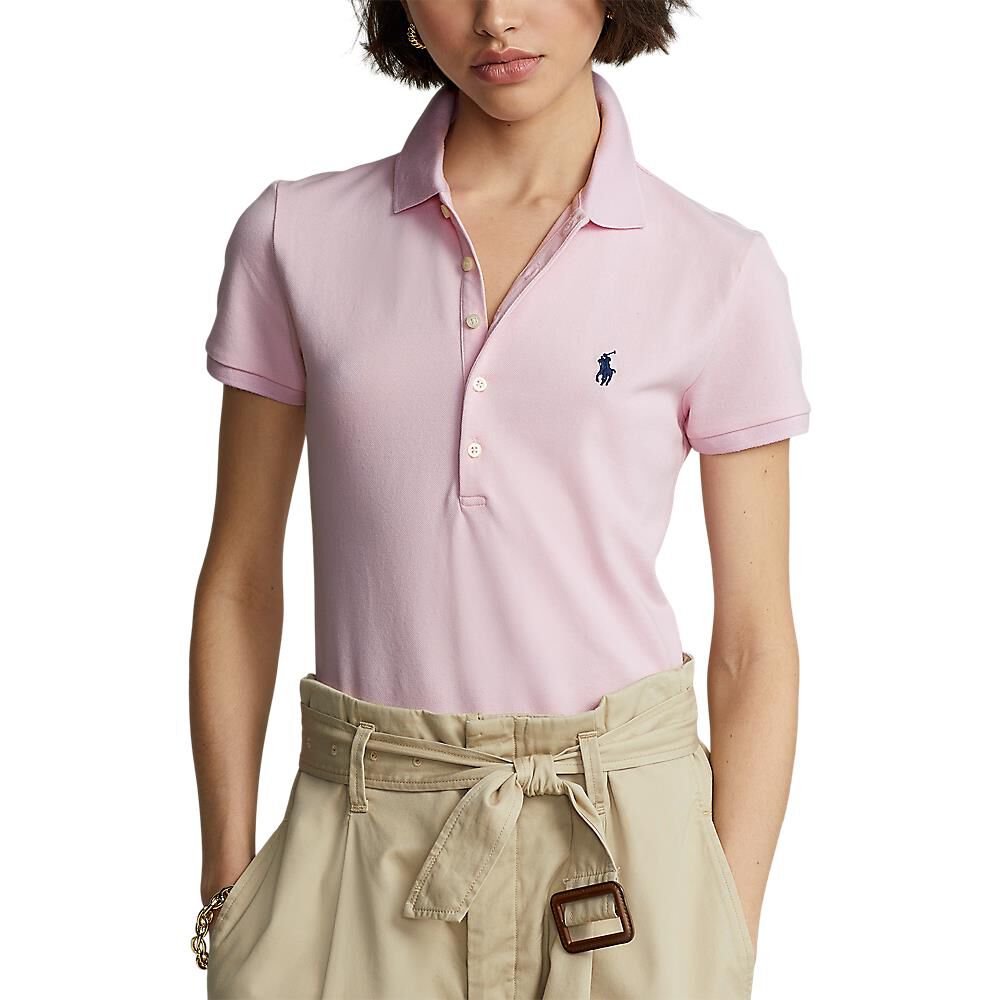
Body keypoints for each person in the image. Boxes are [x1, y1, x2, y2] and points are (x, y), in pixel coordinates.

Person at [189, 2, 810, 998]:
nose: (496, 19)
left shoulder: (717, 269)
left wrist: (722, 925)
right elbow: (239, 576)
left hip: (625, 840)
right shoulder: (295, 237)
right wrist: (229, 886)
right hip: (363, 832)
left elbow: (753, 640)